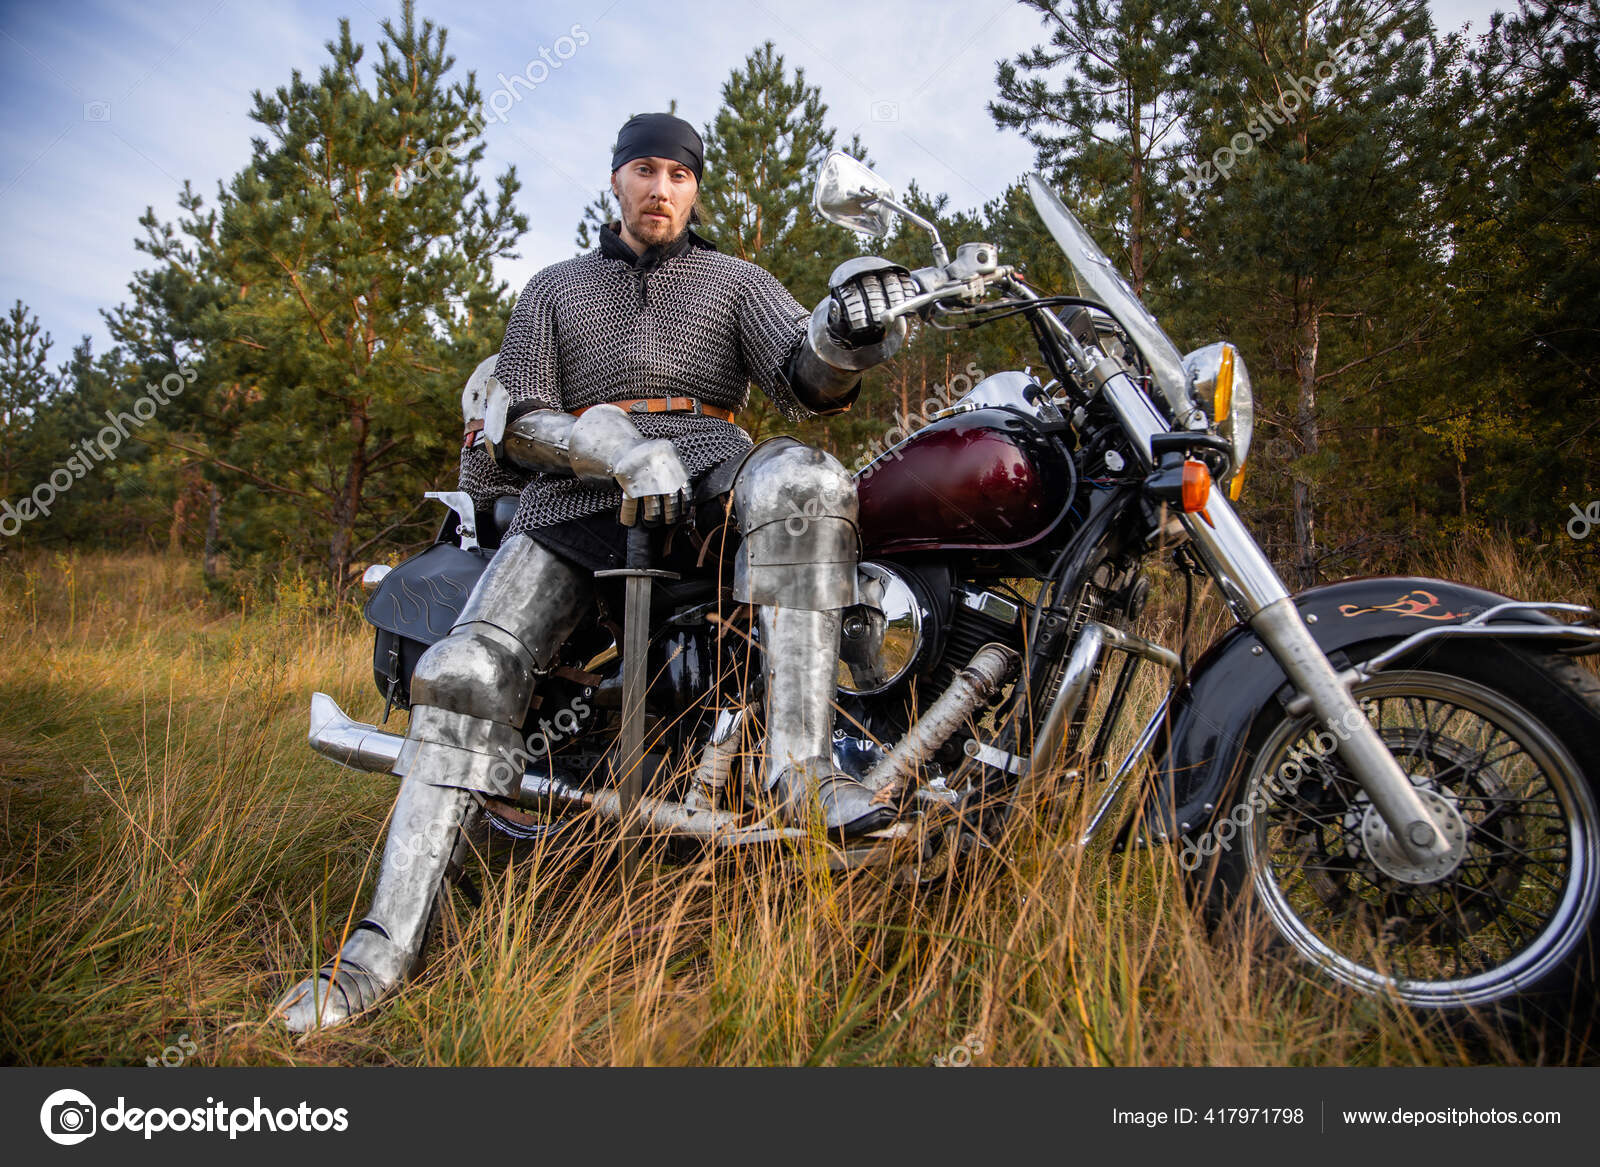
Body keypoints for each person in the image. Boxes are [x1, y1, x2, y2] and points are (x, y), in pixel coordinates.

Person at [277, 112, 916, 1030]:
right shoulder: (552, 291)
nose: (661, 188)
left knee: (809, 479)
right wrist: (608, 441)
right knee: (465, 673)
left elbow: (803, 382)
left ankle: (802, 771)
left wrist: (844, 331)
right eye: (644, 170)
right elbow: (519, 418)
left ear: (697, 189)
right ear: (616, 180)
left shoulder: (736, 282)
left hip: (712, 472)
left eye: (678, 175)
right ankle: (378, 950)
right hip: (572, 494)